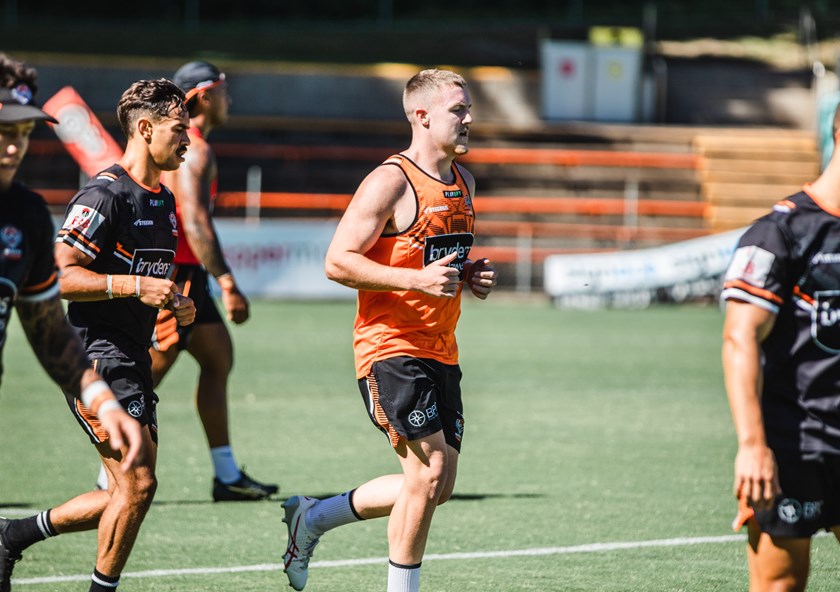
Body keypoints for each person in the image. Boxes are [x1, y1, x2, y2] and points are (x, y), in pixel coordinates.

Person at [281, 69, 497, 592]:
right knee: (426, 476)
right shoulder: (390, 181)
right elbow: (337, 261)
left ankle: (312, 517)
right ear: (421, 117)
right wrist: (415, 280)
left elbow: (435, 261)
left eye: (468, 109)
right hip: (389, 346)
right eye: (458, 111)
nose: (469, 119)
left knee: (435, 484)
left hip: (442, 349)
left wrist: (469, 276)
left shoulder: (464, 182)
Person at [1, 77, 196, 592]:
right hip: (97, 357)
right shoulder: (105, 194)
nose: (188, 139)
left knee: (124, 492)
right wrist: (132, 285)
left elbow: (147, 285)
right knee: (139, 483)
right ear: (146, 128)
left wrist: (177, 303)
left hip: (131, 356)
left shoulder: (164, 201)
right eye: (179, 128)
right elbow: (60, 274)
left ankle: (14, 534)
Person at [145, 60, 277, 501]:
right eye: (223, 91)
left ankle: (225, 475)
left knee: (218, 358)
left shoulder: (189, 146)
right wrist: (228, 282)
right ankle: (110, 477)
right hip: (177, 275)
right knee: (142, 378)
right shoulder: (195, 149)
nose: (229, 99)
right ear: (203, 96)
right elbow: (196, 223)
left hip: (187, 273)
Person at [722, 103, 840, 591]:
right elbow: (740, 336)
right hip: (798, 446)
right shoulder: (781, 232)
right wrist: (753, 446)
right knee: (780, 585)